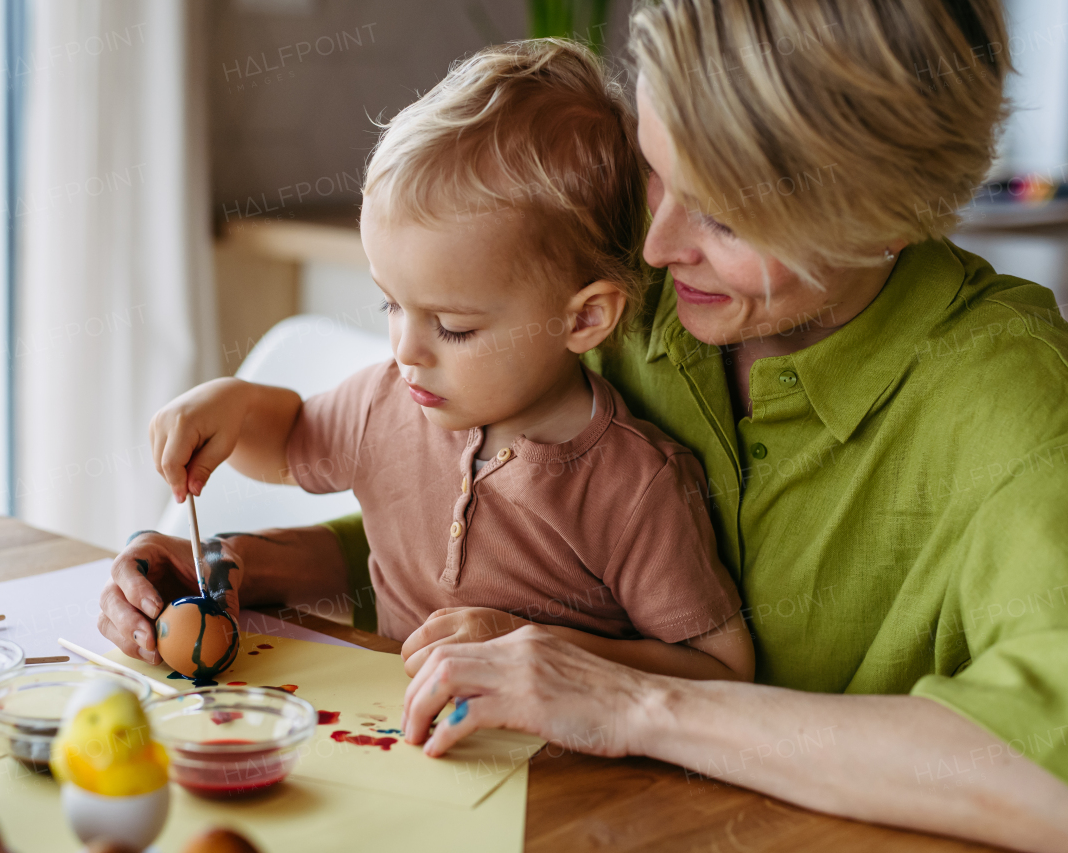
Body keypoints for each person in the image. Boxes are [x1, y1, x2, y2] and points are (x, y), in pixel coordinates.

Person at [100, 1, 1068, 848]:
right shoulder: (618, 286)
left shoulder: (1012, 403)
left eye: (724, 219)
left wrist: (631, 699)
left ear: (884, 216)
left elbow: (1060, 784)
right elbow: (512, 537)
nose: (654, 245)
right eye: (657, 172)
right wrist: (249, 568)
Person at [132, 40, 754, 682]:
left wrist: (538, 647)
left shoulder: (633, 486)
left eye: (453, 328)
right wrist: (231, 407)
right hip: (399, 745)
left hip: (559, 774)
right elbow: (288, 444)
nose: (405, 350)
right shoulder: (387, 403)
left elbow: (720, 668)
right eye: (390, 307)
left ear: (584, 318)